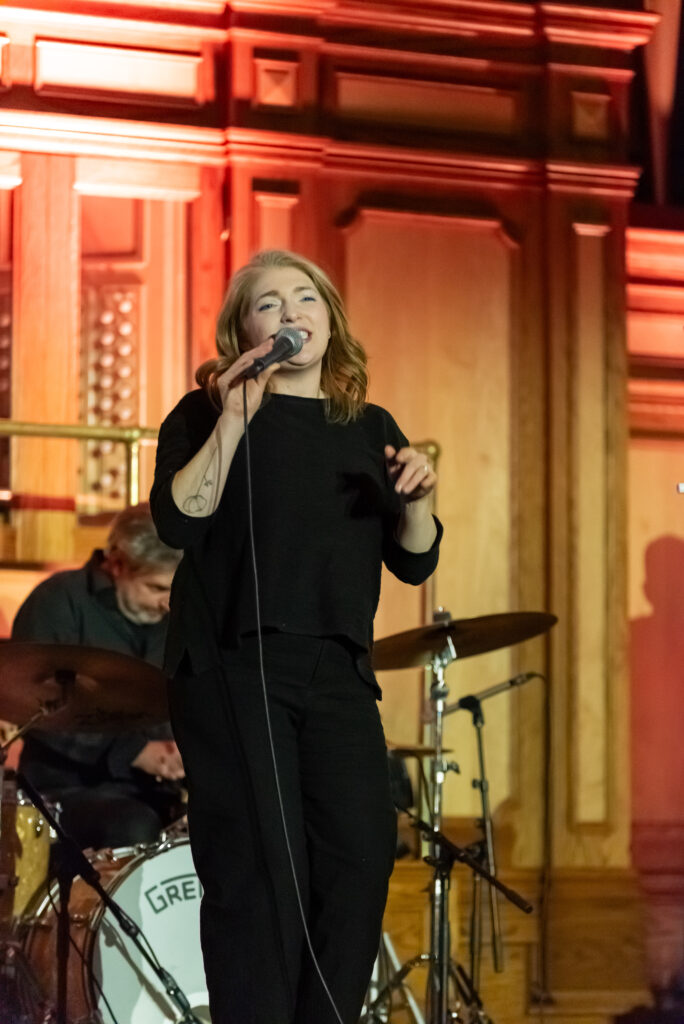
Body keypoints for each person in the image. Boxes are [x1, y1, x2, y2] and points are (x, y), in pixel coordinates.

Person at [150, 249, 442, 1024]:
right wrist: (234, 420)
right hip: (232, 664)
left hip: (338, 670)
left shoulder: (369, 428)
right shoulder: (202, 415)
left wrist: (419, 502)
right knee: (256, 876)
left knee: (361, 856)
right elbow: (179, 519)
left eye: (305, 299)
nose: (291, 314)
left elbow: (414, 560)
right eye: (269, 304)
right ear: (243, 333)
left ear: (330, 322)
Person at [12, 502, 185, 850]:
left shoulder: (177, 618)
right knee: (134, 825)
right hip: (65, 787)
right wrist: (134, 752)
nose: (168, 604)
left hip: (153, 790)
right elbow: (36, 709)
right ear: (117, 564)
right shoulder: (58, 601)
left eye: (175, 590)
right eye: (156, 588)